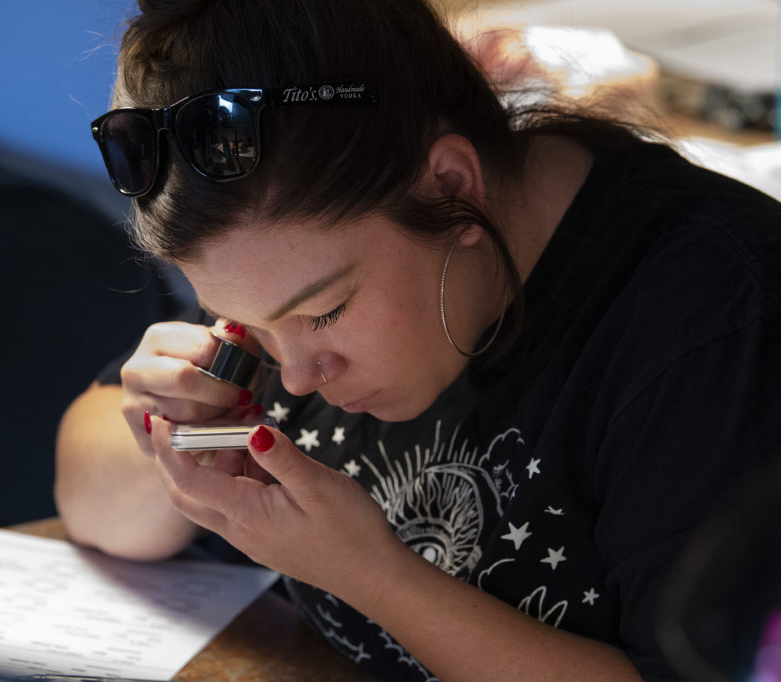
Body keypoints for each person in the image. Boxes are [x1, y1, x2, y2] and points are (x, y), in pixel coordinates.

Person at [54, 0, 781, 679]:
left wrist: (373, 576)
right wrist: (176, 439)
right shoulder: (287, 285)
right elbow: (89, 502)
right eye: (246, 320)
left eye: (328, 311)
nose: (298, 375)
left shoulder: (715, 328)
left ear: (452, 189)